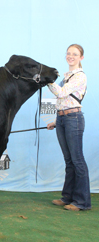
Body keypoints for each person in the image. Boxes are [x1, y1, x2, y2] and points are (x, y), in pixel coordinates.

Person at [47, 44, 91, 211]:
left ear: (81, 57)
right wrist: (56, 120)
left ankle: (82, 202)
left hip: (74, 119)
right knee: (69, 160)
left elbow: (61, 93)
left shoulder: (80, 76)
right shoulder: (66, 76)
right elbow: (62, 100)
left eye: (75, 54)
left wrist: (48, 79)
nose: (70, 56)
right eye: (68, 53)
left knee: (77, 160)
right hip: (63, 118)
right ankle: (68, 197)